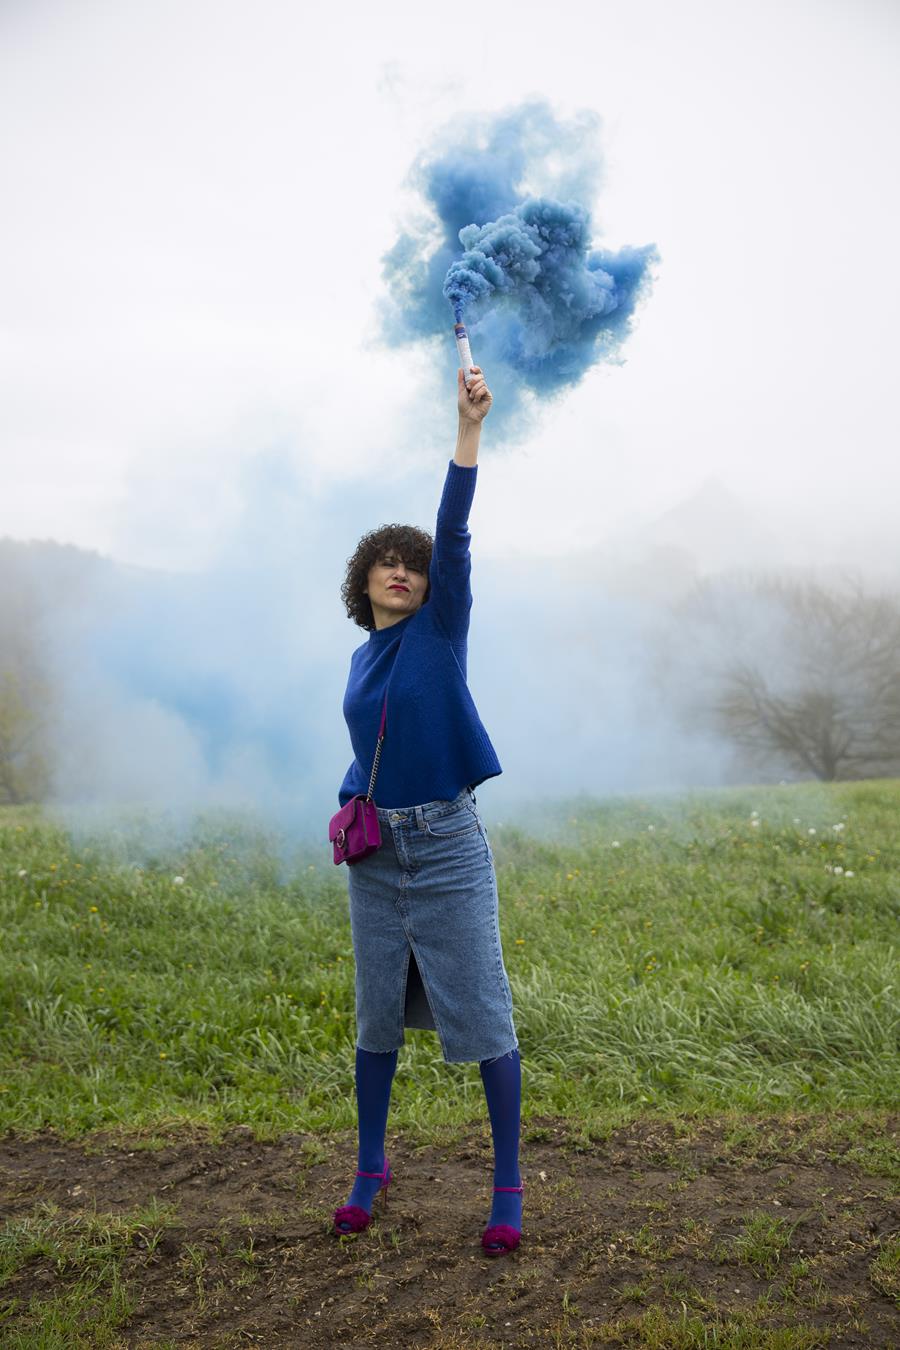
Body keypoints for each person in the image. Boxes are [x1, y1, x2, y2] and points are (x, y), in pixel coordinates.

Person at [332, 364, 523, 1256]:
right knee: (376, 1019)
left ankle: (507, 1187)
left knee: (482, 1017)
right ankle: (371, 1170)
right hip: (377, 859)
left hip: (446, 847)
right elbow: (371, 745)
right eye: (386, 562)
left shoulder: (441, 630)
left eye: (412, 564)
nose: (402, 570)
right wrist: (351, 804)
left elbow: (453, 531)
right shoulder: (363, 660)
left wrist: (467, 431)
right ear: (364, 581)